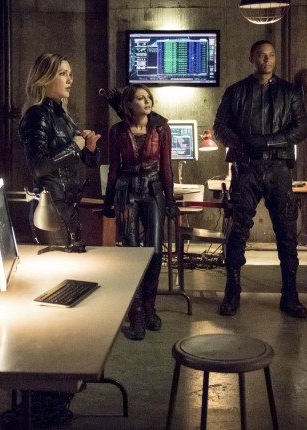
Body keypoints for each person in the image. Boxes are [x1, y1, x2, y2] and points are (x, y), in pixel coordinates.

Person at [213, 40, 307, 319]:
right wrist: (243, 144)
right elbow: (219, 127)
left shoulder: (289, 92)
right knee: (237, 230)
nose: (267, 60)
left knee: (286, 233)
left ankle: (290, 296)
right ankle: (232, 293)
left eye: (271, 55)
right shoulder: (236, 91)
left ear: (275, 59)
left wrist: (267, 141)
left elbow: (301, 128)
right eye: (261, 55)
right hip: (246, 168)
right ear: (251, 58)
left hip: (278, 168)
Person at [103, 84, 177, 340]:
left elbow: (166, 168)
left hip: (153, 191)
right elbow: (114, 169)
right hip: (127, 192)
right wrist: (108, 201)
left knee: (155, 252)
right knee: (132, 254)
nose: (147, 102)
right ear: (128, 104)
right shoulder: (117, 131)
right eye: (140, 98)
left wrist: (170, 200)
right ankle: (135, 313)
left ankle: (149, 308)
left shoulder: (161, 129)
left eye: (149, 98)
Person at [19, 52, 101, 251]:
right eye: (63, 74)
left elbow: (89, 162)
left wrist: (90, 148)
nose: (70, 80)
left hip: (67, 206)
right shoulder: (37, 114)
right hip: (50, 208)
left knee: (70, 262)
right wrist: (74, 146)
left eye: (70, 74)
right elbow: (38, 166)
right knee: (59, 264)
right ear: (44, 78)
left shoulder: (62, 115)